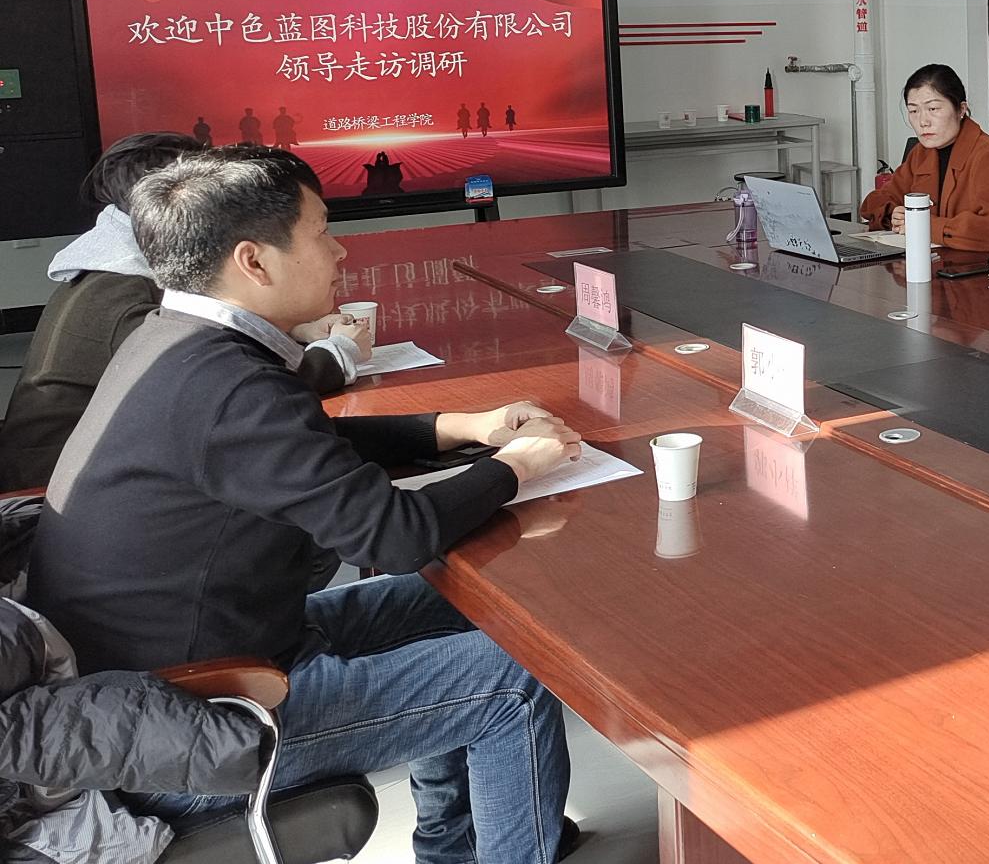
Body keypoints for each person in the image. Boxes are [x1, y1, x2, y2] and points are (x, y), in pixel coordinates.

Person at [25, 146, 582, 864]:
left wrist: (459, 426)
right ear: (253, 261)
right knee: (520, 676)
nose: (341, 250)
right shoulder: (229, 382)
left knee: (463, 604)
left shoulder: (173, 340)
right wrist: (515, 466)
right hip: (195, 725)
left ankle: (452, 848)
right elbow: (394, 536)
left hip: (180, 675)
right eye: (321, 231)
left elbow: (297, 444)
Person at [0, 134, 365, 491]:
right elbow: (232, 388)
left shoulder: (112, 273)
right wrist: (338, 353)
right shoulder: (125, 298)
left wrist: (297, 331)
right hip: (49, 480)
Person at [859, 64, 989, 252]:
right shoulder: (921, 153)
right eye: (913, 111)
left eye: (933, 109)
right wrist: (893, 214)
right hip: (939, 259)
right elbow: (873, 203)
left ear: (961, 110)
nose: (923, 121)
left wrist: (923, 225)